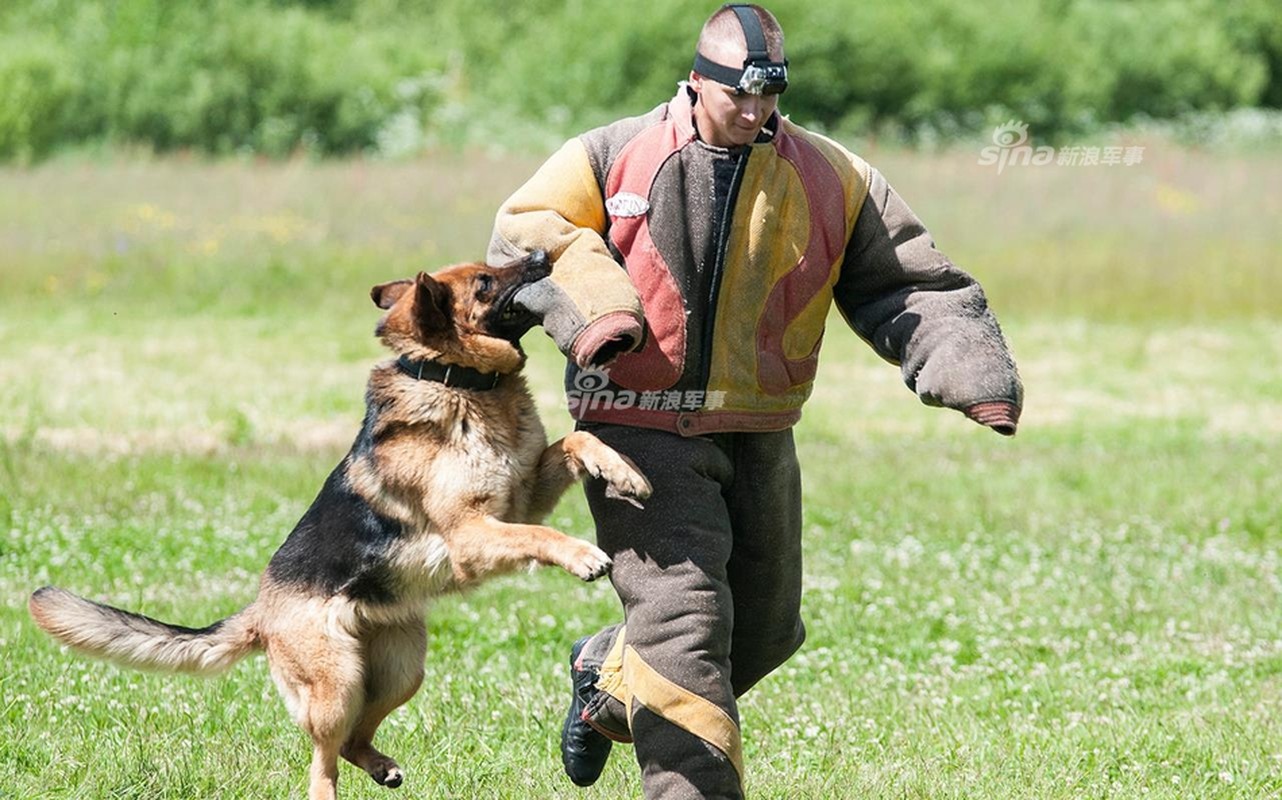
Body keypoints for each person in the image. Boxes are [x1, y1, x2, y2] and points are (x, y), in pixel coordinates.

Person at [486, 4, 1023, 798]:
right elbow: (529, 231)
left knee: (765, 630)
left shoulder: (831, 175)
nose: (754, 110)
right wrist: (594, 309)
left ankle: (607, 671)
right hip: (636, 426)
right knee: (686, 633)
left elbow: (909, 281)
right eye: (738, 93)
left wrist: (972, 371)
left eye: (769, 95)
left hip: (761, 425)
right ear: (698, 80)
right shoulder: (609, 153)